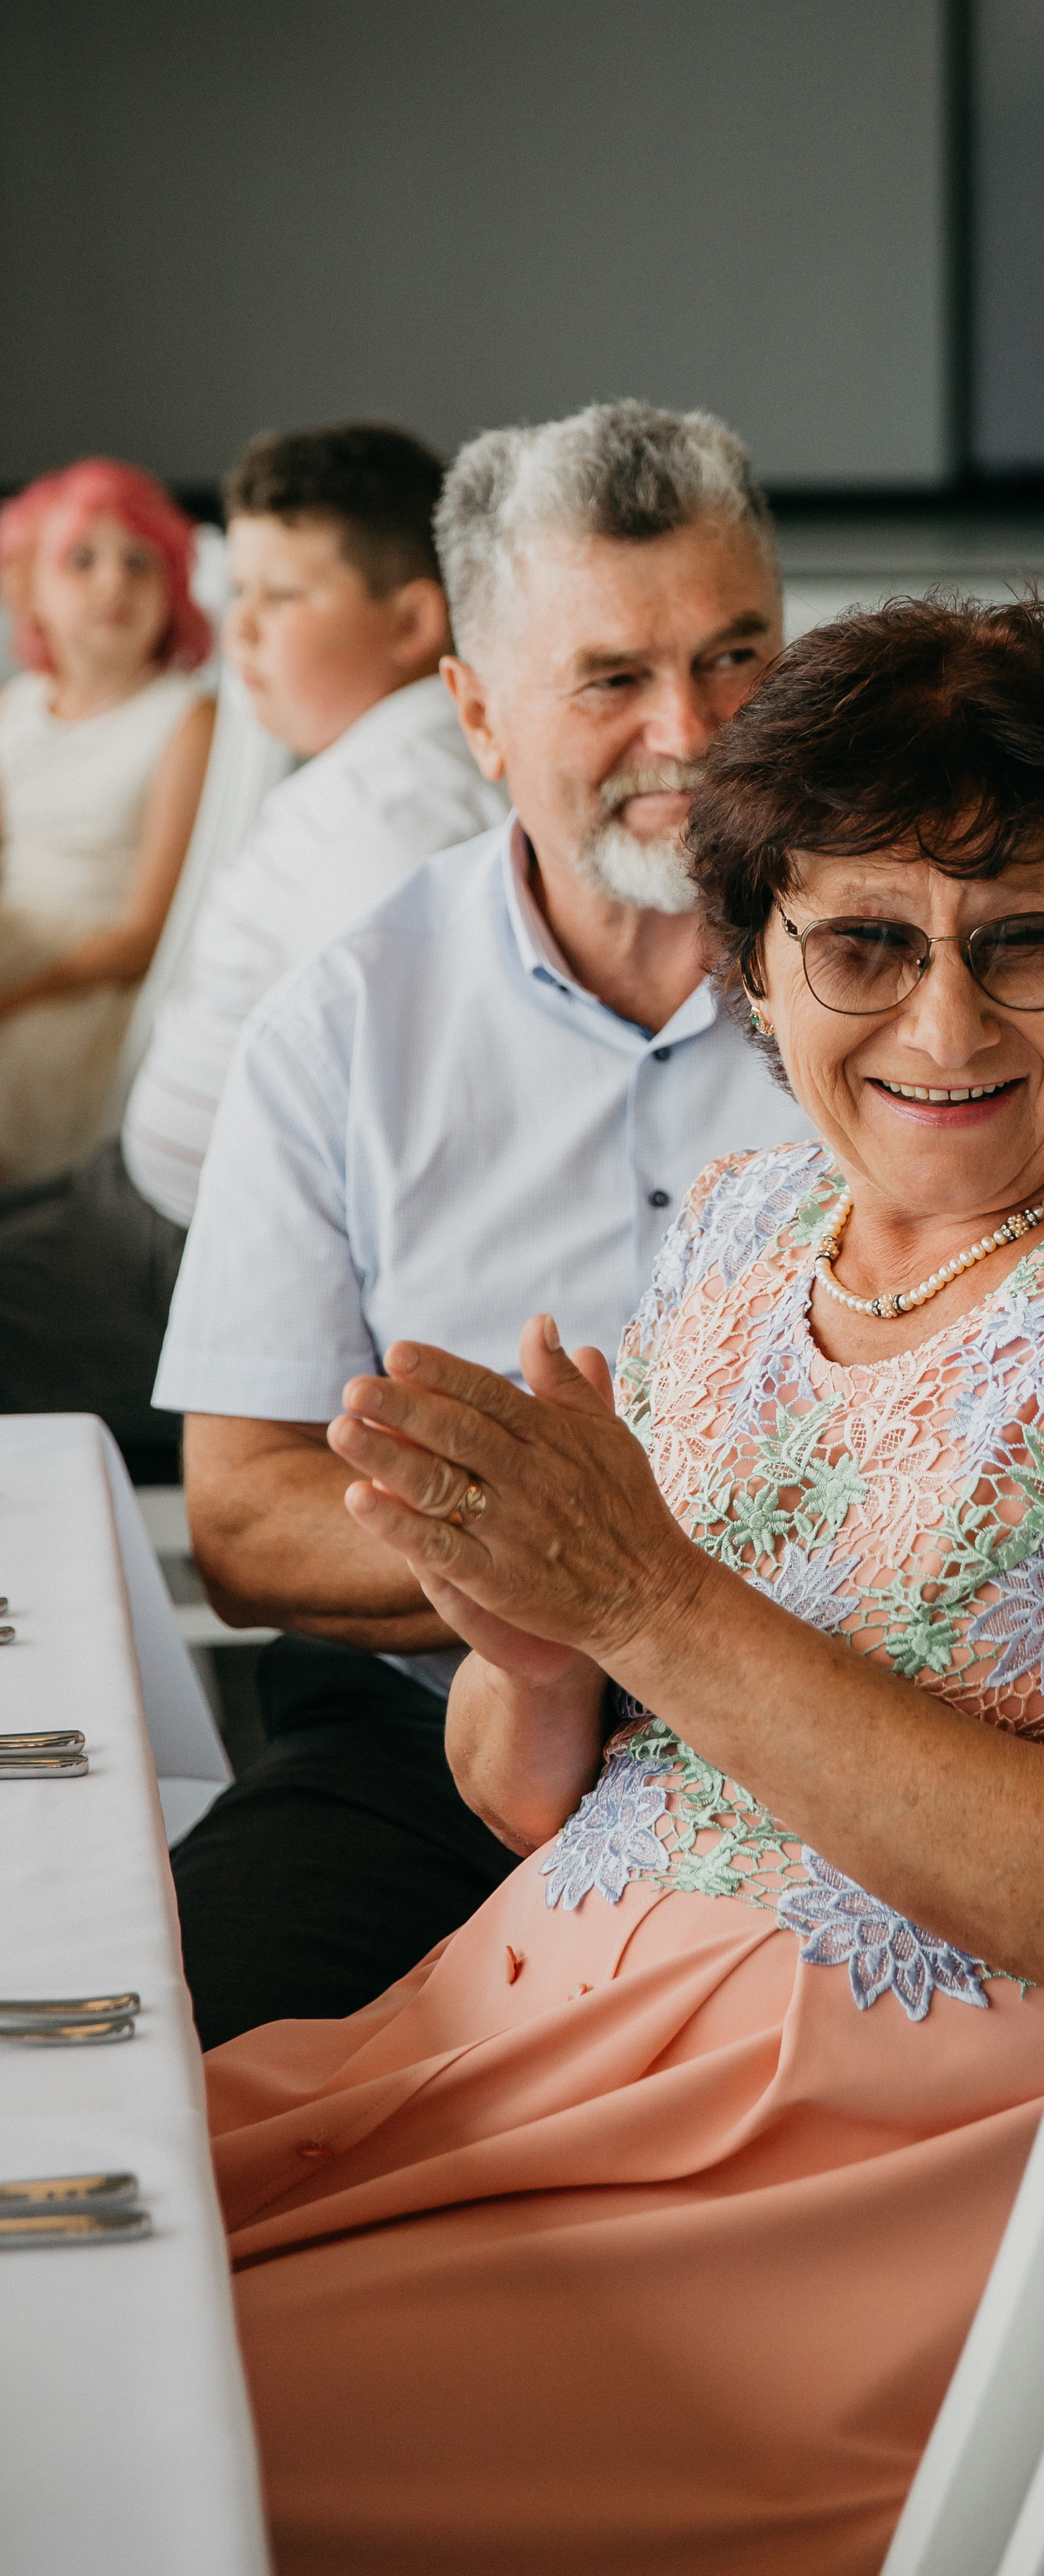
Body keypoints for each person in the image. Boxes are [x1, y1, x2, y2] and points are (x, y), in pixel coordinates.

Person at [203, 594, 1044, 2576]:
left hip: (851, 2180)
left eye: (1021, 939)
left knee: (170, 2418)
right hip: (528, 2048)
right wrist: (532, 1646)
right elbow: (529, 1790)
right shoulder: (748, 1219)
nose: (947, 1026)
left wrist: (647, 1601)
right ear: (753, 972)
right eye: (865, 943)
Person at [157, 402, 815, 2045]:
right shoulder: (345, 1022)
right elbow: (241, 1516)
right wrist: (563, 1575)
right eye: (610, 678)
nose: (692, 731)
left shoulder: (906, 988)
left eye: (737, 657)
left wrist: (676, 1600)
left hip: (829, 1720)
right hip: (415, 1743)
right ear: (474, 713)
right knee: (193, 2057)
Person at [0, 421, 505, 1479]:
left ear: (412, 619)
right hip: (137, 1205)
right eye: (243, 598)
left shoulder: (395, 822)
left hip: (179, 1265)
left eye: (283, 598)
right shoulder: (364, 767)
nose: (242, 636)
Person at [0, 459, 215, 1182]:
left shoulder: (183, 718)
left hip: (83, 986)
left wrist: (19, 994)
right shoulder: (18, 708)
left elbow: (143, 935)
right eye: (81, 561)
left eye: (140, 563)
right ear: (27, 587)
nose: (113, 582)